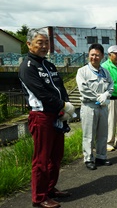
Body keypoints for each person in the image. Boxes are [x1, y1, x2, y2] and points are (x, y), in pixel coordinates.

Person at [19, 28, 73, 208]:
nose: (44, 46)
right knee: (41, 159)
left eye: (46, 43)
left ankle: (50, 188)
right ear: (29, 44)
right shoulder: (28, 66)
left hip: (57, 114)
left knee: (56, 156)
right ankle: (39, 197)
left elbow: (60, 87)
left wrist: (65, 103)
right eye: (39, 43)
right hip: (41, 115)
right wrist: (62, 106)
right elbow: (40, 92)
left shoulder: (48, 65)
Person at [76, 43, 114, 170]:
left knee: (103, 133)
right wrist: (99, 97)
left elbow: (111, 85)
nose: (94, 57)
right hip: (89, 106)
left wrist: (107, 94)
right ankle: (88, 158)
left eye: (97, 55)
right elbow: (83, 89)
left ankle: (101, 156)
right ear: (88, 55)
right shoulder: (82, 71)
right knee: (89, 134)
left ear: (102, 56)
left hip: (103, 106)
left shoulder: (105, 72)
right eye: (92, 55)